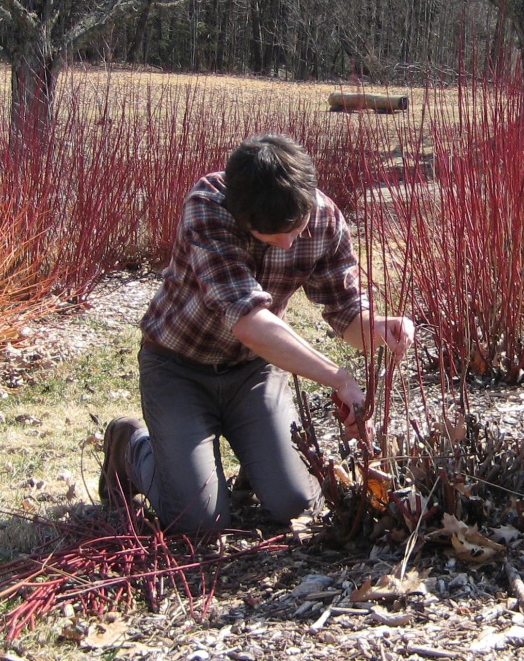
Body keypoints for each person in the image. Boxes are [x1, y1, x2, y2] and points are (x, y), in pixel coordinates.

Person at [99, 134, 415, 533]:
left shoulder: (324, 218)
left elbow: (346, 310)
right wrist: (338, 378)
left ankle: (257, 464)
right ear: (239, 212)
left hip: (253, 372)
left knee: (298, 505)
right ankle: (130, 446)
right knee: (197, 521)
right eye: (269, 234)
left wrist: (378, 327)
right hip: (177, 368)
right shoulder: (208, 206)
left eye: (294, 229)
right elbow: (249, 322)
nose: (286, 242)